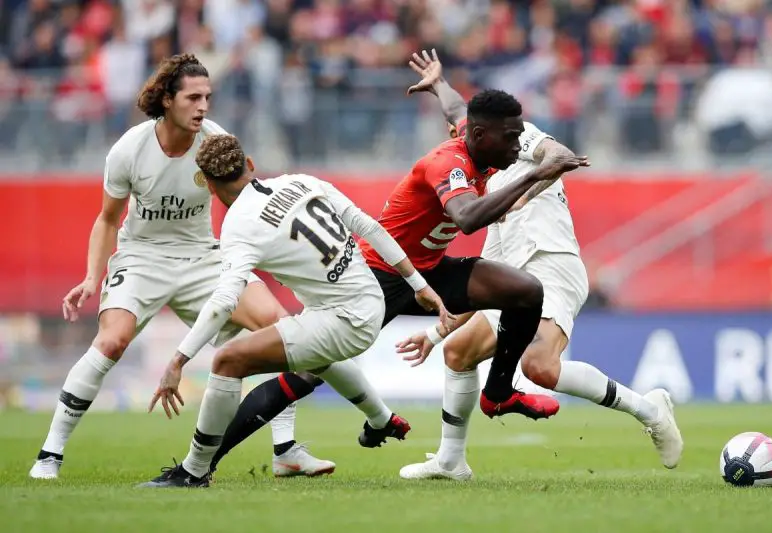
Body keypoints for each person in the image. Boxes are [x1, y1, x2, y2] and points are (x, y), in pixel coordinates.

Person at [189, 64, 590, 476]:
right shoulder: (448, 165)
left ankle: (499, 393)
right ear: (480, 135)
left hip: (428, 270)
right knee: (303, 379)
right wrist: (536, 174)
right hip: (378, 278)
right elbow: (467, 218)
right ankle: (202, 464)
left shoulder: (478, 140)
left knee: (526, 291)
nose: (517, 146)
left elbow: (457, 109)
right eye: (510, 137)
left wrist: (439, 84)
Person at [29, 54, 332, 480]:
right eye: (193, 97)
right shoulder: (129, 150)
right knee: (112, 341)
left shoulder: (215, 142)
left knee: (277, 326)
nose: (203, 106)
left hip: (202, 257)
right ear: (167, 100)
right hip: (142, 258)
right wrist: (92, 277)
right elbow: (108, 220)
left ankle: (285, 451)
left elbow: (250, 204)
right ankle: (49, 455)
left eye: (207, 97)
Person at [396, 50, 684, 481]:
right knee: (458, 353)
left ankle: (650, 411)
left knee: (539, 367)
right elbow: (458, 111)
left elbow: (558, 153)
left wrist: (526, 195)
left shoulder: (518, 138)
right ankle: (451, 461)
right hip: (517, 280)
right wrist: (436, 335)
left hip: (552, 263)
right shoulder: (474, 165)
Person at [140, 134, 453, 487]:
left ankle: (193, 471)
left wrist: (178, 360)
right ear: (250, 165)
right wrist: (419, 285)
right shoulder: (300, 181)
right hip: (368, 301)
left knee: (228, 361)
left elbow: (225, 300)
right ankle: (378, 420)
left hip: (345, 319)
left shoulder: (239, 226)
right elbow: (368, 226)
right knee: (313, 353)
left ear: (211, 187)